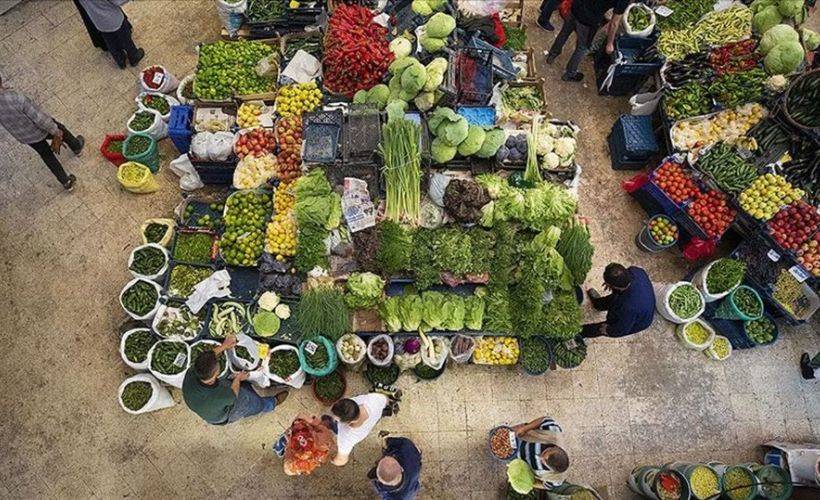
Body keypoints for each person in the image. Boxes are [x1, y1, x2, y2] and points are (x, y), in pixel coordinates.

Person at [182, 335, 288, 425]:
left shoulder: (193, 371)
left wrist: (224, 346)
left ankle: (248, 388)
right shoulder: (219, 396)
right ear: (215, 375)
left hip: (202, 402)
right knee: (249, 402)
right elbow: (233, 393)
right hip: (224, 414)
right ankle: (271, 404)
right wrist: (238, 378)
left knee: (241, 386)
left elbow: (206, 358)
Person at [0, 76, 83, 191]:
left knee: (47, 155)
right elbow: (39, 119)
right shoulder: (17, 98)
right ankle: (76, 146)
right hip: (40, 129)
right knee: (62, 130)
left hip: (26, 137)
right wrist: (55, 130)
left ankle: (66, 181)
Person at [546, 0, 631, 82]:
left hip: (576, 7)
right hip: (588, 19)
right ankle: (570, 73)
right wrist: (609, 43)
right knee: (582, 47)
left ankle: (552, 55)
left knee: (564, 32)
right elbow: (614, 23)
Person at [581, 263, 655, 339]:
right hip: (638, 299)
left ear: (616, 286)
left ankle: (580, 333)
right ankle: (598, 304)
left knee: (602, 327)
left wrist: (609, 330)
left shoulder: (627, 308)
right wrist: (610, 283)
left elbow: (622, 329)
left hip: (640, 320)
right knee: (613, 299)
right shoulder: (636, 271)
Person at [77, 0, 144, 69]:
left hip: (98, 21)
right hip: (112, 17)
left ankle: (120, 61)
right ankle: (134, 56)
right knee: (125, 38)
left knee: (110, 42)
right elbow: (117, 2)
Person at [330, 392, 389, 466]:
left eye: (337, 420)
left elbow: (341, 460)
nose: (334, 418)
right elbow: (385, 399)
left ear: (350, 422)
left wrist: (333, 461)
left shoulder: (346, 438)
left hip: (359, 431)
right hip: (372, 420)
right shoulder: (372, 399)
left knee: (332, 425)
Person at [512, 416, 569, 490]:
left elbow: (545, 486)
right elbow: (545, 420)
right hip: (519, 439)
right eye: (545, 452)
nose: (540, 457)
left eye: (543, 461)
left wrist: (526, 482)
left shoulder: (556, 479)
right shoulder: (555, 433)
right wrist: (525, 428)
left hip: (515, 460)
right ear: (556, 447)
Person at [368, 435, 422, 500]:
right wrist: (389, 440)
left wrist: (386, 441)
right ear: (401, 469)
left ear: (381, 481)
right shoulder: (411, 459)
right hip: (413, 487)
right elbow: (405, 443)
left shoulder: (390, 496)